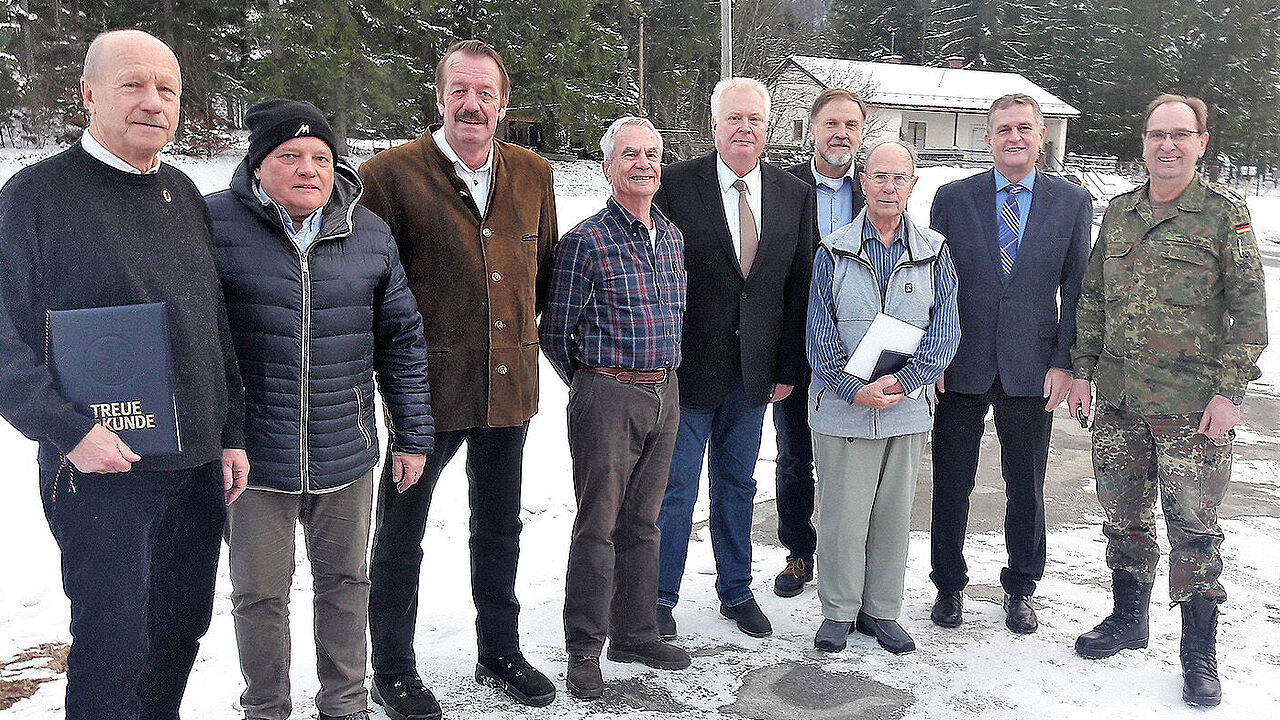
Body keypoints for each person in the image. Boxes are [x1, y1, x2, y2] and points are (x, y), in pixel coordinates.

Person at [0, 29, 248, 719]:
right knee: (113, 650)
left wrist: (230, 431)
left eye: (167, 88)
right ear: (88, 94)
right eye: (132, 84)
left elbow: (212, 323)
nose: (153, 102)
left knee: (179, 632)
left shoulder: (183, 193)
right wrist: (67, 430)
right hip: (100, 470)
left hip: (194, 467)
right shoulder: (35, 197)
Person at [208, 99, 435, 720]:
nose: (308, 169)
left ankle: (345, 703)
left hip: (345, 449)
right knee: (259, 596)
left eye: (321, 157)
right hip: (253, 459)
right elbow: (195, 341)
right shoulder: (213, 224)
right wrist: (219, 434)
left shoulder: (370, 234)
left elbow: (401, 340)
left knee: (346, 585)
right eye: (290, 156)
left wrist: (412, 434)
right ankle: (266, 707)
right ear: (258, 165)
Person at [357, 39, 558, 717]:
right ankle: (393, 668)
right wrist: (392, 388)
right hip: (424, 397)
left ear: (503, 102)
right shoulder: (387, 176)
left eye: (485, 93)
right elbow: (370, 288)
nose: (472, 104)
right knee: (400, 536)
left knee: (499, 529)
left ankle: (499, 651)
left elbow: (541, 276)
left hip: (508, 388)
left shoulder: (533, 174)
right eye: (459, 91)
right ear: (439, 96)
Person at [1067, 93, 1267, 707]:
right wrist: (1082, 371)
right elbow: (1093, 300)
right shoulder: (1119, 213)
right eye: (1157, 134)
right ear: (1144, 143)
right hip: (1120, 401)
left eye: (1181, 134)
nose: (1168, 145)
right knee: (1123, 518)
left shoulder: (1224, 216)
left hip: (1191, 409)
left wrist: (1230, 392)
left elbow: (1250, 317)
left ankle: (1198, 652)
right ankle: (1130, 619)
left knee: (1194, 530)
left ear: (1201, 143)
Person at [652, 77, 815, 639]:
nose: (745, 129)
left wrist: (789, 368)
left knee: (737, 485)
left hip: (755, 376)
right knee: (675, 490)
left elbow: (798, 287)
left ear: (768, 127)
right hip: (686, 371)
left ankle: (737, 591)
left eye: (755, 119)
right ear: (714, 125)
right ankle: (659, 597)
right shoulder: (676, 185)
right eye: (734, 118)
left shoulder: (794, 194)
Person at [926, 93, 1092, 634]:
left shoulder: (1071, 202)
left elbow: (1077, 290)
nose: (1014, 137)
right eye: (1003, 129)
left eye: (1024, 127)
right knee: (952, 482)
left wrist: (1065, 362)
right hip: (961, 361)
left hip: (1032, 367)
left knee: (1026, 485)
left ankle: (1021, 586)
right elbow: (934, 283)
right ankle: (948, 584)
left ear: (1041, 135)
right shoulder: (953, 199)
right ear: (988, 138)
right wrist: (932, 356)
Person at [542, 116, 692, 700]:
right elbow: (555, 332)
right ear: (607, 168)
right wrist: (596, 384)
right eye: (630, 154)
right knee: (598, 525)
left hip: (665, 391)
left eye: (652, 154)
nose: (643, 164)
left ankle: (635, 634)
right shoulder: (585, 242)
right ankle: (584, 647)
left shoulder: (671, 236)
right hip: (608, 393)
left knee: (643, 523)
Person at [806, 140, 959, 655]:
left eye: (899, 178)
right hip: (843, 411)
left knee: (893, 519)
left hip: (905, 410)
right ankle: (838, 611)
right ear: (863, 183)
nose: (889, 187)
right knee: (842, 518)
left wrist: (905, 381)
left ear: (913, 185)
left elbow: (946, 330)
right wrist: (854, 388)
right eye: (879, 176)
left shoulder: (934, 252)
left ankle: (881, 610)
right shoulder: (833, 250)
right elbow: (818, 331)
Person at [773, 88, 868, 598]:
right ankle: (799, 551)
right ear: (812, 130)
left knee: (849, 461)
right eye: (832, 124)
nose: (841, 134)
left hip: (856, 351)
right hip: (795, 347)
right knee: (794, 456)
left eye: (851, 125)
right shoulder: (784, 189)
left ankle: (845, 554)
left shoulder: (873, 189)